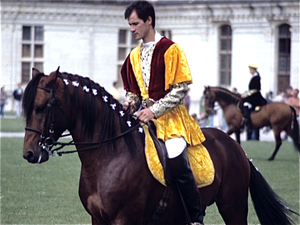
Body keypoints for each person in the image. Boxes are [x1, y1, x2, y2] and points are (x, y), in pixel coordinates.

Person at [121, 1, 205, 224]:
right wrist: (129, 104)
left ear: (149, 20)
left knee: (176, 157)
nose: (132, 30)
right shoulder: (133, 56)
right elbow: (134, 93)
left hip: (172, 119)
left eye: (135, 24)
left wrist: (154, 111)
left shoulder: (171, 49)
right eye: (130, 25)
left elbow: (180, 90)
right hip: (143, 117)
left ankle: (196, 217)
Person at [238, 65, 267, 141]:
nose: (250, 71)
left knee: (245, 104)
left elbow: (255, 90)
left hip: (255, 97)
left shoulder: (256, 78)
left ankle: (247, 119)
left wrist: (244, 95)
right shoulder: (255, 77)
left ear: (254, 70)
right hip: (252, 95)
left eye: (251, 70)